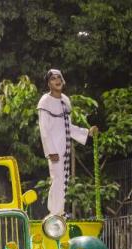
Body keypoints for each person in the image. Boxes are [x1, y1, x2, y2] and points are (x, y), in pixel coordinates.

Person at [37, 69, 98, 217]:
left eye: (59, 77)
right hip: (54, 148)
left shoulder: (65, 100)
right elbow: (44, 129)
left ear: (63, 81)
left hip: (65, 146)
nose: (57, 80)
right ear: (48, 83)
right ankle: (55, 212)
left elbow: (67, 126)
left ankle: (60, 211)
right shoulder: (45, 101)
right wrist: (50, 151)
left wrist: (86, 133)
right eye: (53, 78)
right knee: (57, 179)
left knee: (63, 179)